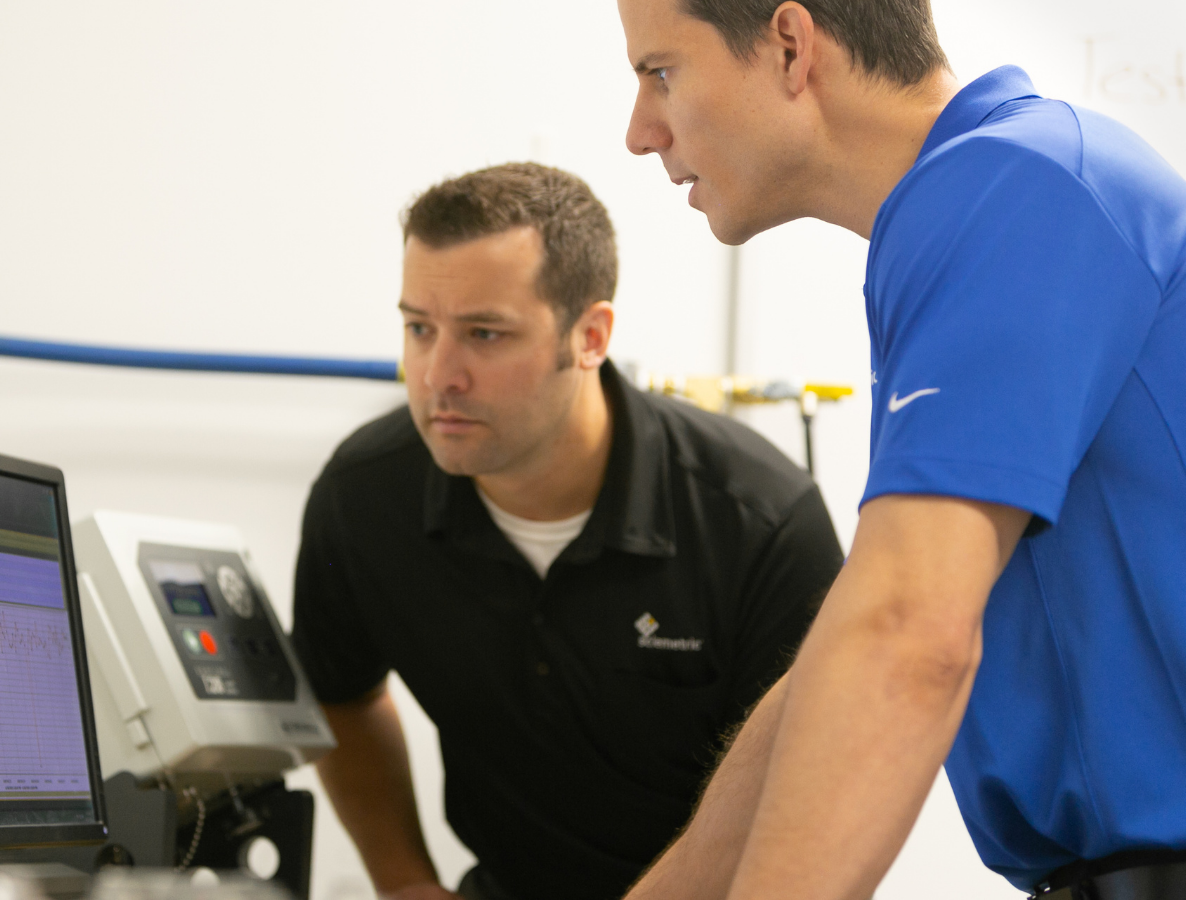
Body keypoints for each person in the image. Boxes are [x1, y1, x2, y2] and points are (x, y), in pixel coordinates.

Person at [612, 0, 1186, 898]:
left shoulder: (1020, 185)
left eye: (659, 72)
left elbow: (907, 635)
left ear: (791, 46)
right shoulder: (967, 208)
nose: (640, 131)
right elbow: (841, 665)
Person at [289, 163, 845, 900]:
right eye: (419, 329)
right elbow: (340, 692)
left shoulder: (759, 523)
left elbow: (822, 800)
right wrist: (405, 884)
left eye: (484, 333)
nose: (436, 376)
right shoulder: (363, 498)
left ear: (590, 335)